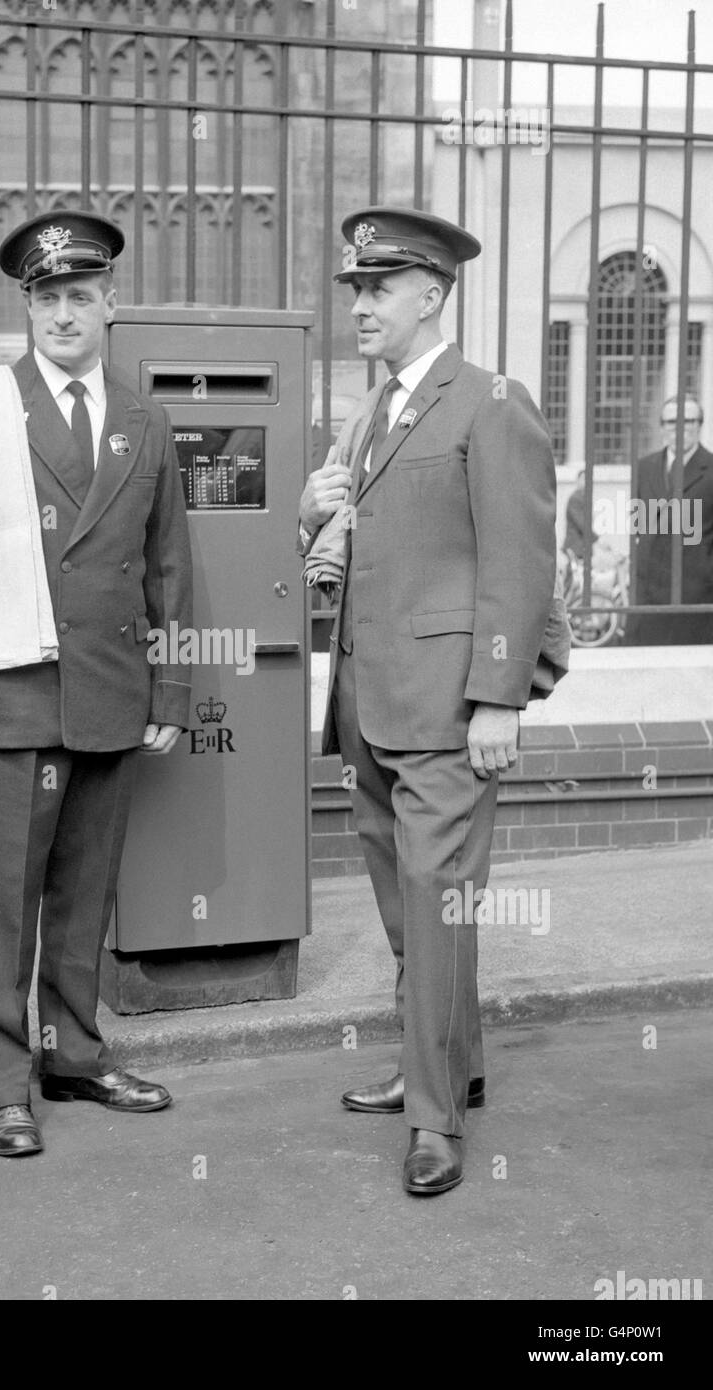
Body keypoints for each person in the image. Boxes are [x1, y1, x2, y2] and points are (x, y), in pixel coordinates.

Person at [0, 211, 192, 1157]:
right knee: (5, 899)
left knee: (82, 893)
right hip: (10, 696)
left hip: (109, 689)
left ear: (111, 304)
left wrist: (172, 695)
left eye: (80, 295)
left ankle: (73, 1057)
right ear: (28, 310)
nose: (64, 313)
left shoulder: (145, 421)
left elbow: (169, 573)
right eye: (46, 297)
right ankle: (1, 1081)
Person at [299, 208, 557, 1196]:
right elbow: (336, 541)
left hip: (450, 710)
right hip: (369, 704)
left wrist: (500, 700)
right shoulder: (373, 411)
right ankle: (448, 1059)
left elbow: (520, 562)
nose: (360, 305)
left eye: (378, 288)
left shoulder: (488, 402)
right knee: (413, 912)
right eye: (355, 289)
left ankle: (436, 1120)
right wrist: (311, 512)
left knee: (437, 908)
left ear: (432, 295)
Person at [624, 395, 713, 645]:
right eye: (672, 421)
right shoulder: (644, 467)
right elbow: (639, 524)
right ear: (662, 426)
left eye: (689, 420)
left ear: (700, 425)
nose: (680, 428)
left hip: (696, 596)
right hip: (649, 593)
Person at [564, 468, 597, 561]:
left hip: (582, 547)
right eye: (583, 479)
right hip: (576, 547)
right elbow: (581, 524)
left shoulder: (584, 497)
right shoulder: (575, 498)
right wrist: (596, 539)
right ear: (577, 481)